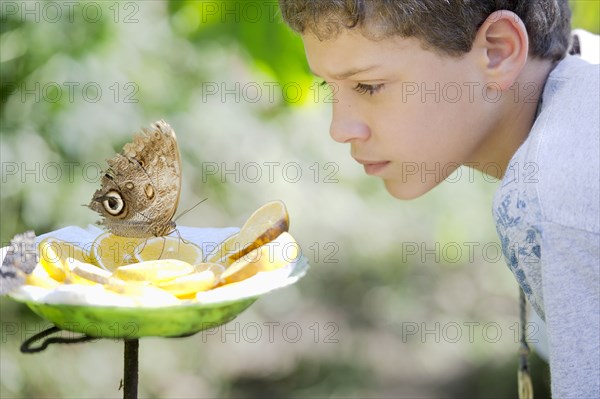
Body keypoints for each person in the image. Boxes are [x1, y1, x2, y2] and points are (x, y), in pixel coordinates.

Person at [278, 1, 599, 397]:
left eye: (368, 86)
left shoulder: (554, 191)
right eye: (330, 86)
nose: (339, 129)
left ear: (498, 51)